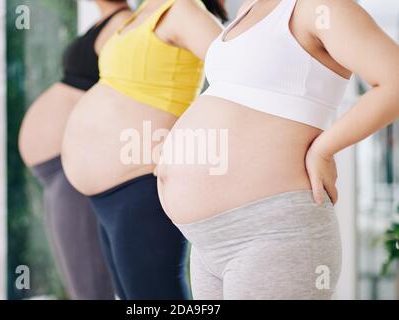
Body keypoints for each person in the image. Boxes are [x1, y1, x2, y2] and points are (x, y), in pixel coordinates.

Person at [157, 0, 399, 299]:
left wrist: (323, 149)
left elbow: (395, 80)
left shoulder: (318, 6)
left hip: (272, 231)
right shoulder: (249, 9)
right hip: (208, 242)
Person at [62, 0, 227, 299]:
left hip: (140, 188)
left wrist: (191, 140)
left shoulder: (183, 11)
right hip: (109, 197)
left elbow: (242, 78)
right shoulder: (140, 14)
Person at [18, 0, 131, 300]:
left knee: (90, 289)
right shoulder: (104, 23)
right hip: (58, 172)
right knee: (79, 283)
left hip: (75, 169)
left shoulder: (123, 24)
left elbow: (126, 95)